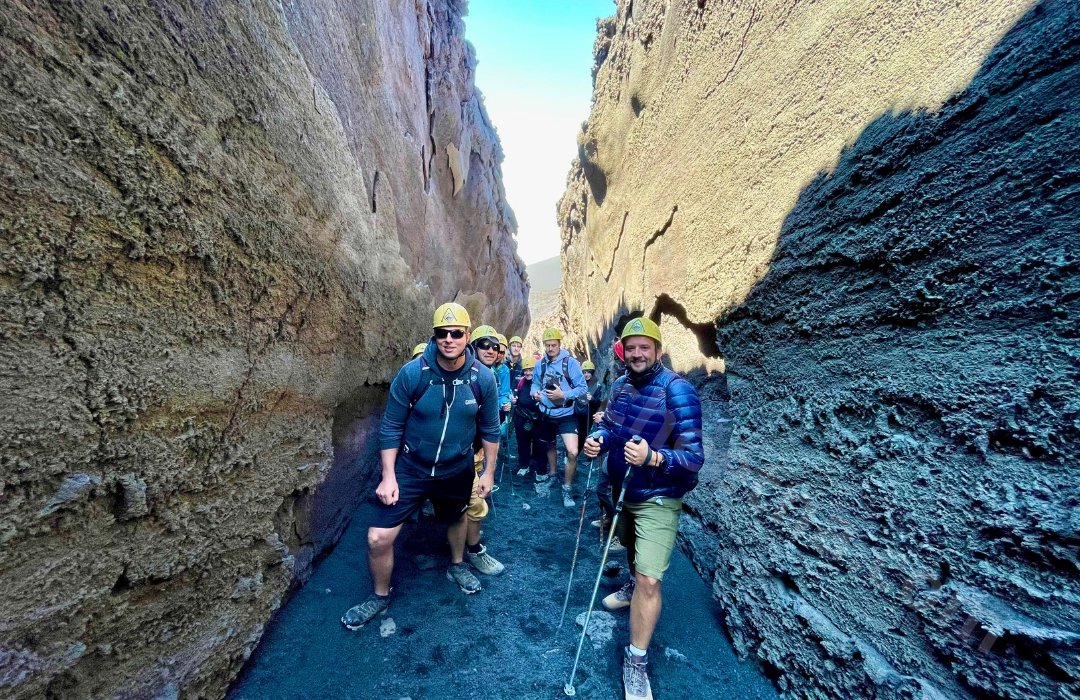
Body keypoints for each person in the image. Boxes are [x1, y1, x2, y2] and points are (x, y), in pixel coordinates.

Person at [341, 303, 500, 630]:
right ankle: (380, 596)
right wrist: (388, 476)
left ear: (467, 335)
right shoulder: (414, 373)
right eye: (442, 333)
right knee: (378, 537)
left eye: (456, 333)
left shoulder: (482, 378)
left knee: (457, 517)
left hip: (456, 468)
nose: (449, 339)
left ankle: (457, 564)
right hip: (412, 467)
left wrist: (488, 472)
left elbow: (490, 428)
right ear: (434, 335)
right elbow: (391, 426)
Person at [582, 317, 704, 700]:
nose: (636, 354)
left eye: (644, 347)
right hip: (624, 490)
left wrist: (654, 457)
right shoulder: (620, 386)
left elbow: (694, 457)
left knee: (652, 580)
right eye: (630, 347)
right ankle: (632, 583)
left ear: (658, 350)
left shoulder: (678, 390)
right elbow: (611, 427)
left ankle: (636, 661)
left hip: (659, 496)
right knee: (635, 559)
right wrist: (597, 439)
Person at [461, 325, 508, 578]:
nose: (490, 350)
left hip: (476, 451)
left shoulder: (490, 376)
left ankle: (465, 547)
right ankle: (473, 551)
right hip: (462, 452)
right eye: (484, 345)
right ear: (473, 346)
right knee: (473, 503)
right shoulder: (467, 375)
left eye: (495, 346)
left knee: (471, 502)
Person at [530, 327, 587, 507]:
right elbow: (535, 383)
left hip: (566, 414)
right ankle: (553, 475)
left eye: (553, 345)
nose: (550, 349)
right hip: (546, 413)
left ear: (559, 344)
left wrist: (564, 395)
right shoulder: (540, 364)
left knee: (572, 451)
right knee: (549, 445)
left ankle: (567, 487)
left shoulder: (571, 363)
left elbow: (582, 388)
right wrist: (535, 393)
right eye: (547, 345)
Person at [512, 355, 548, 478]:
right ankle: (524, 465)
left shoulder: (542, 383)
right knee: (522, 443)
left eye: (531, 370)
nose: (528, 373)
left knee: (540, 444)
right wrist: (514, 400)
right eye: (526, 370)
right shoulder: (520, 383)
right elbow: (516, 397)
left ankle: (540, 468)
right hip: (522, 417)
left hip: (538, 418)